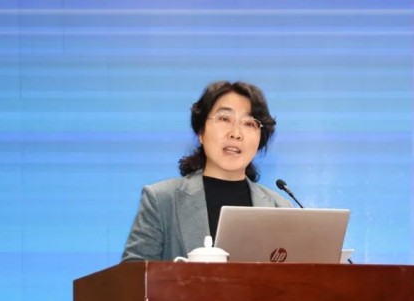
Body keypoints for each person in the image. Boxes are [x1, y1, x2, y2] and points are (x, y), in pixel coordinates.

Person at [122, 80, 292, 261]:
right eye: (224, 119)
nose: (236, 133)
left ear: (260, 139)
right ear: (201, 132)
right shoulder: (162, 200)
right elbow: (134, 273)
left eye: (249, 123)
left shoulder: (280, 208)